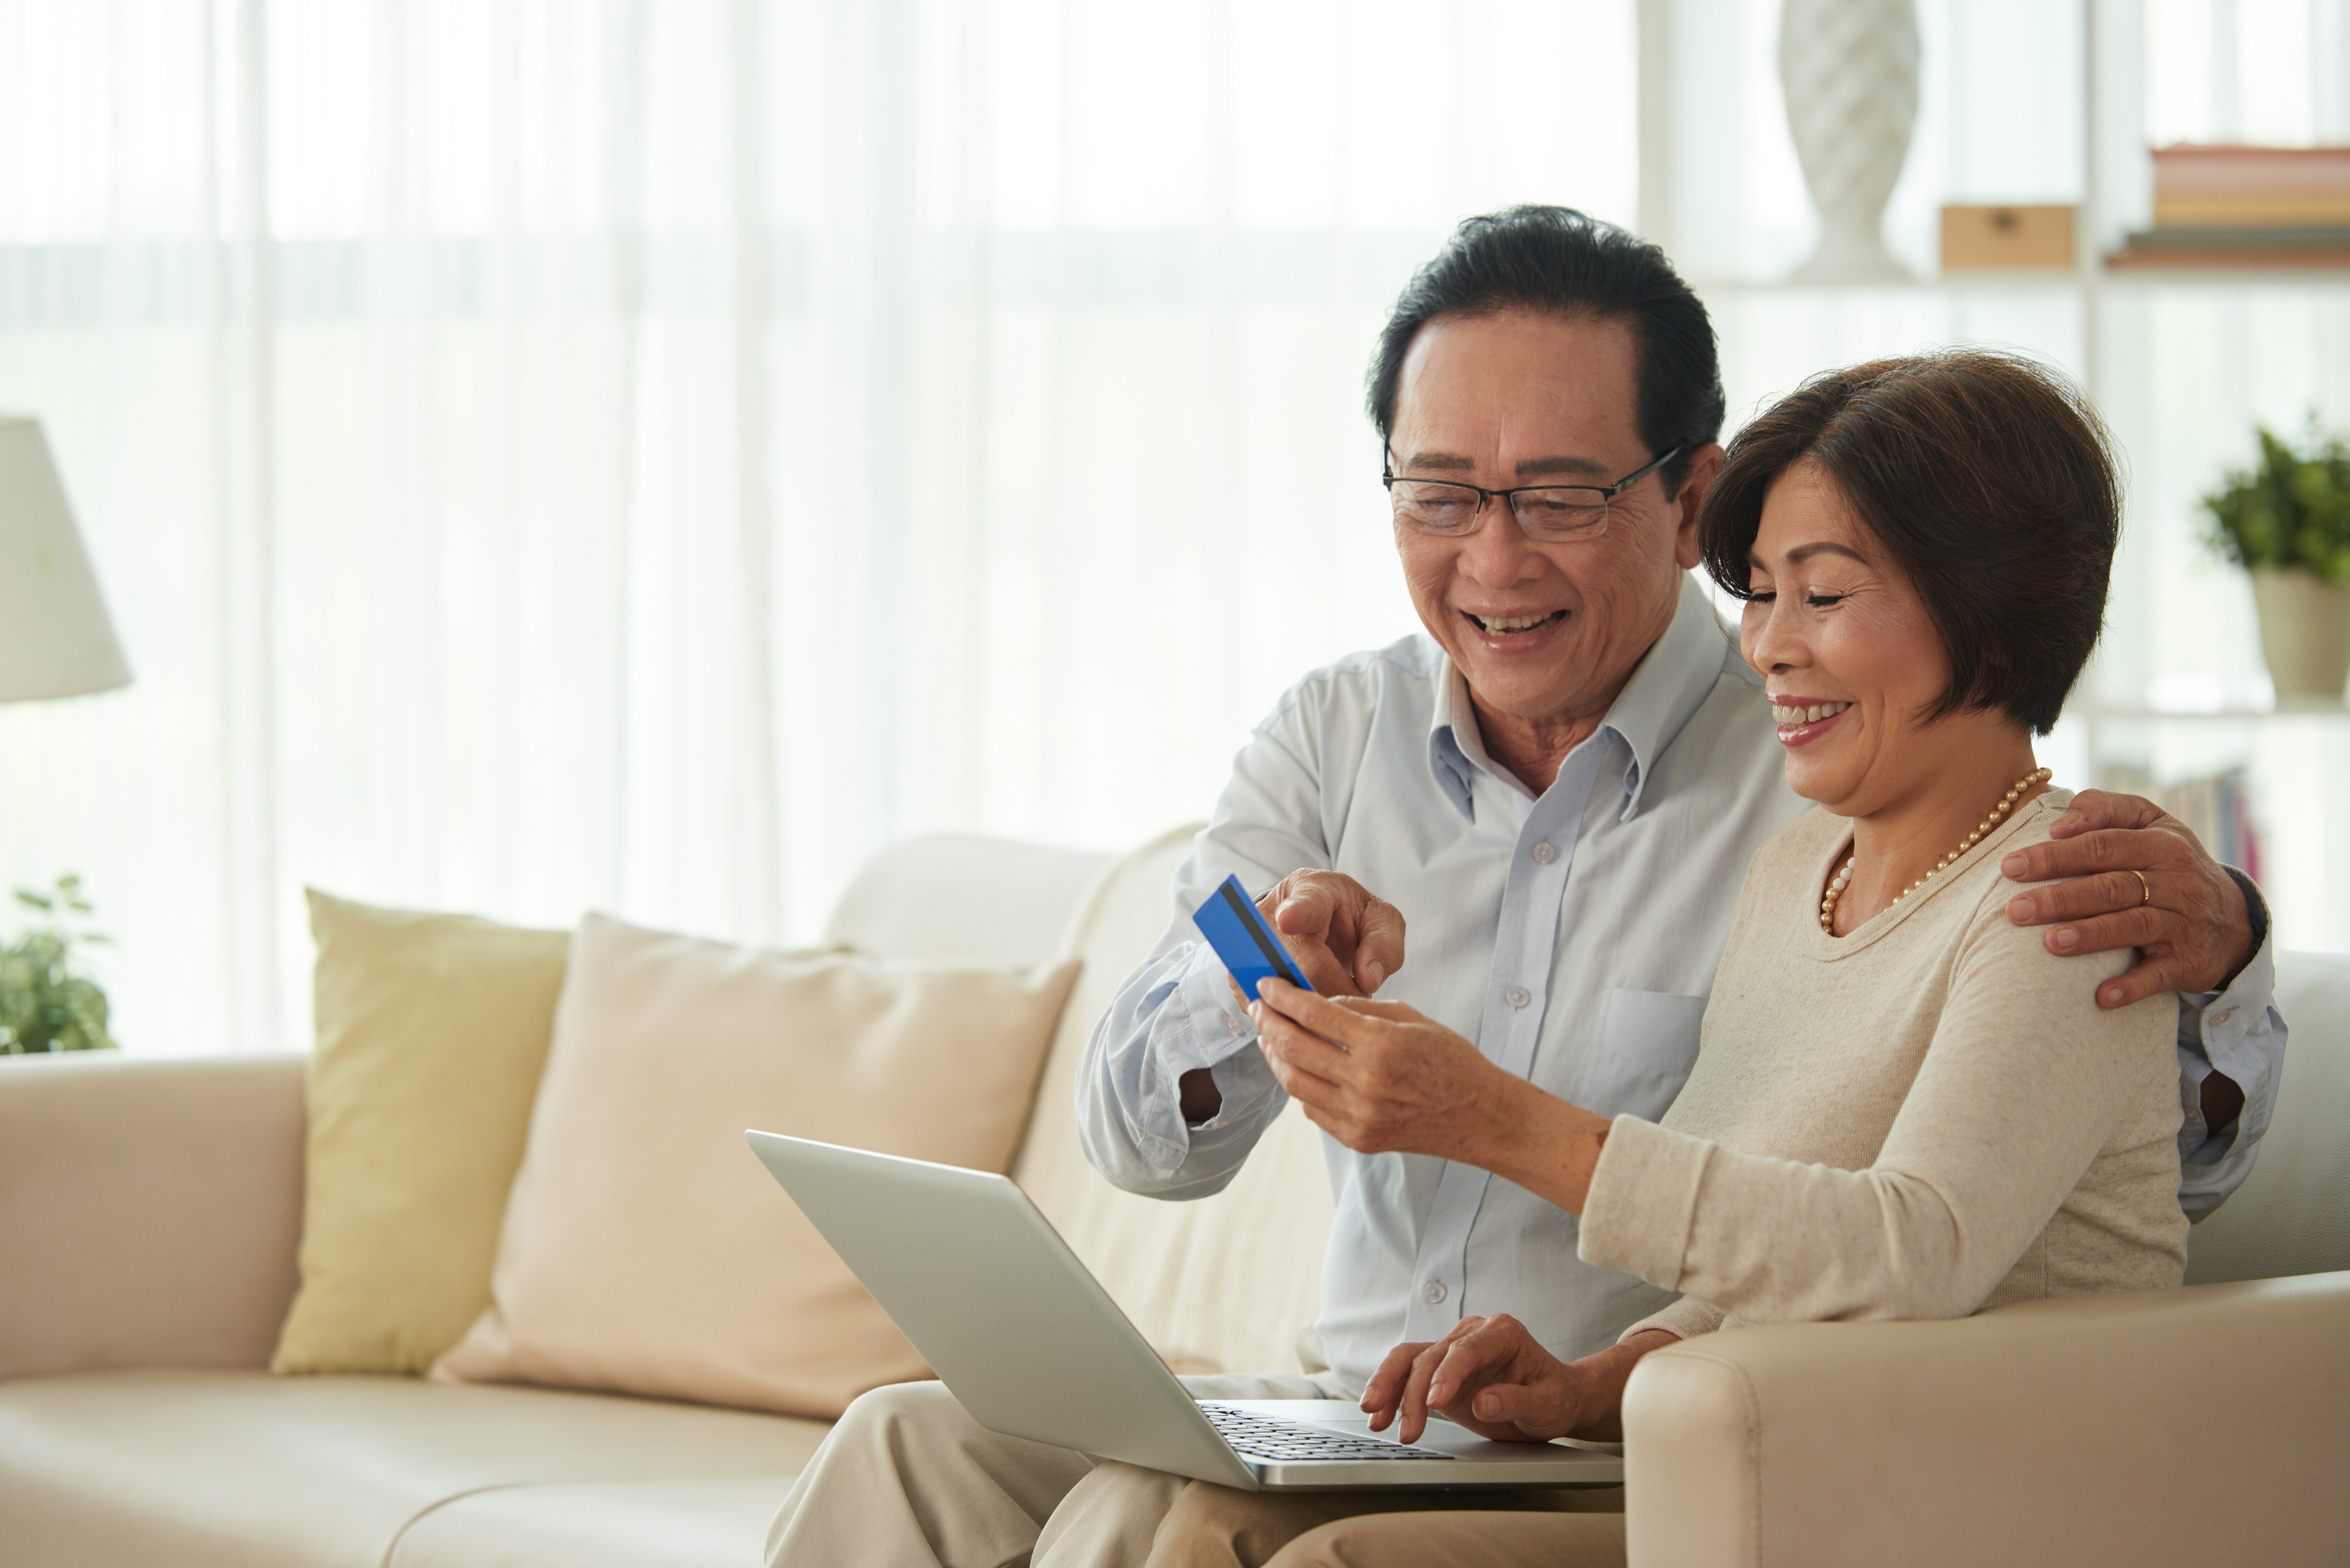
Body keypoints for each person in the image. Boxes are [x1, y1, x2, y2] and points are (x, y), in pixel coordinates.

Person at [764, 209, 2285, 1568]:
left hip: (1640, 1454)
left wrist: (2216, 953)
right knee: (900, 1436)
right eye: (1437, 493)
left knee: (1142, 1522)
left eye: (1556, 496)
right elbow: (1137, 1140)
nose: (1490, 558)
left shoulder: (1846, 788)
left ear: (1687, 502)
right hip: (1369, 1394)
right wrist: (1260, 982)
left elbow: (2016, 1208)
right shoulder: (1350, 743)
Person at [1140, 348, 2194, 1568]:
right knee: (1198, 1519)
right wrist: (1593, 1384)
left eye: (1823, 593)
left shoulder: (2071, 894)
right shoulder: (1802, 868)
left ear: (1988, 603)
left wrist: (1490, 1119)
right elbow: (1768, 1266)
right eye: (1758, 594)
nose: (1766, 649)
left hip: (1952, 1507)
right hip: (1762, 1471)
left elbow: (1909, 1252)